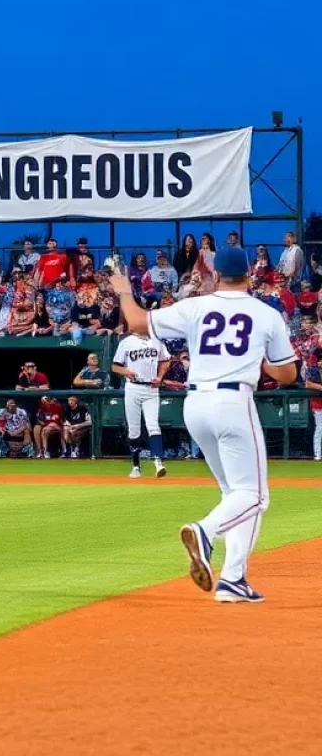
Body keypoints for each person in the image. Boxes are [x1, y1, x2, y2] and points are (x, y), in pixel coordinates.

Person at [110, 247, 297, 603]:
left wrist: (122, 289)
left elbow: (136, 323)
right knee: (255, 495)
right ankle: (205, 531)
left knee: (237, 495)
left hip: (195, 404)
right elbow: (288, 373)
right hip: (233, 402)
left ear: (216, 276)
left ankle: (233, 580)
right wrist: (258, 361)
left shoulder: (196, 306)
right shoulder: (264, 312)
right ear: (249, 275)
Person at [112, 331, 171, 479]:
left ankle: (158, 463)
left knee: (153, 426)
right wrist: (125, 370)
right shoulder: (126, 342)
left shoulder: (156, 340)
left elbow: (166, 359)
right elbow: (115, 366)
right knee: (134, 430)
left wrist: (160, 376)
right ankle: (136, 466)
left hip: (151, 388)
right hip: (133, 388)